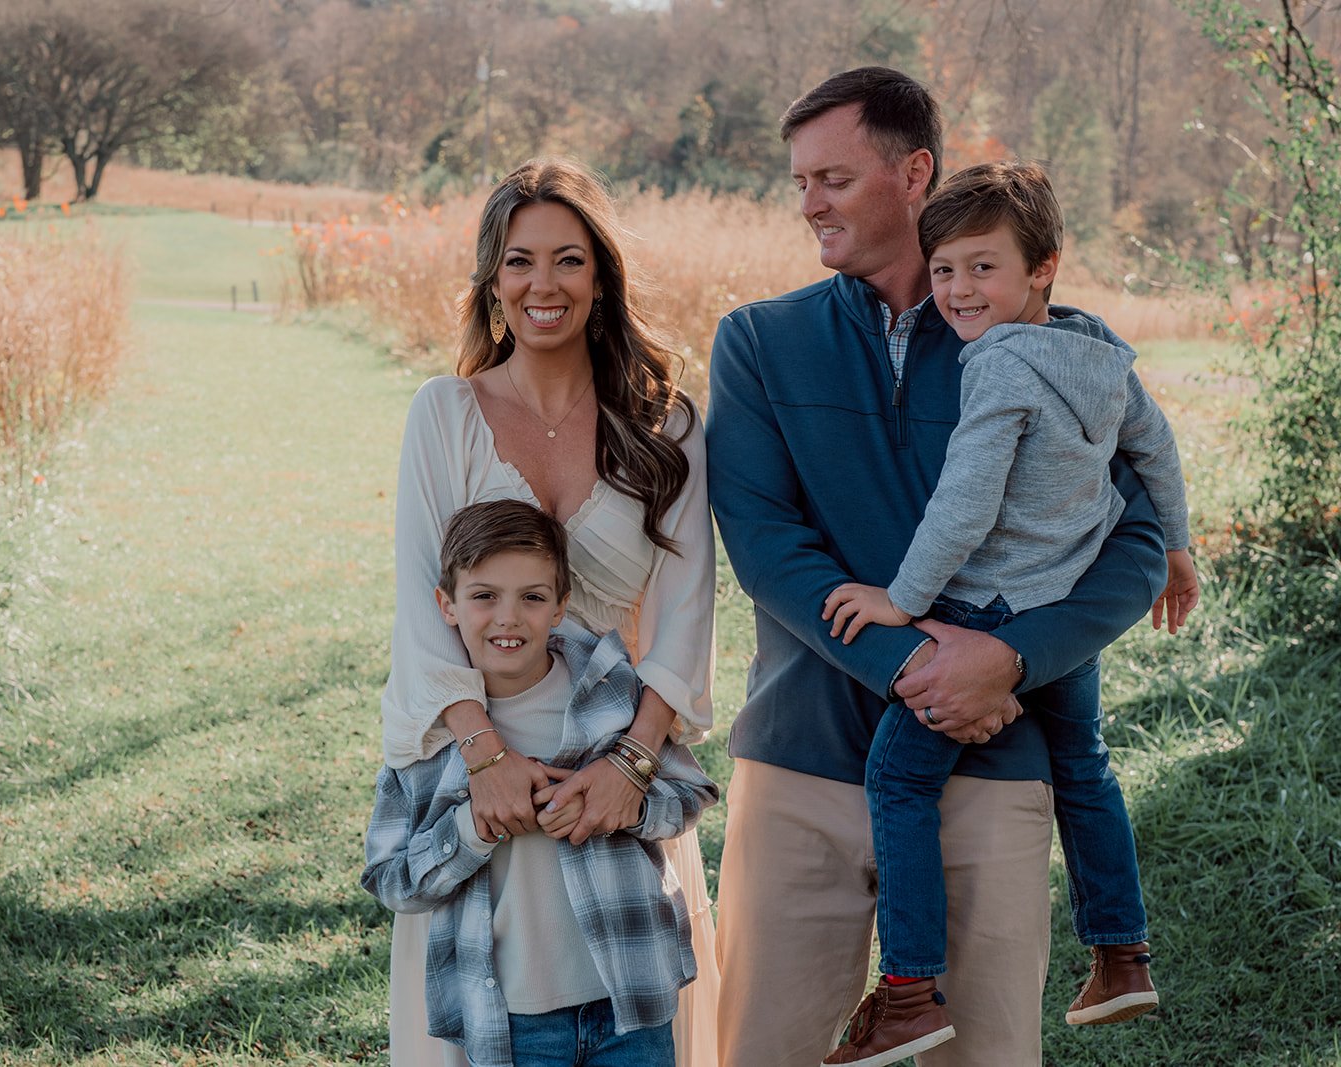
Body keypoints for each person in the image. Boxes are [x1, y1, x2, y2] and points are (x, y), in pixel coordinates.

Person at [704, 67, 1170, 1066]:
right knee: (760, 1051)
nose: (807, 202)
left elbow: (1130, 541)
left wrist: (1009, 660)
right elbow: (764, 541)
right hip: (802, 761)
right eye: (799, 180)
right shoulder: (758, 341)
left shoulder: (1043, 349)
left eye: (831, 176)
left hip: (994, 762)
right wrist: (925, 670)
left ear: (911, 172)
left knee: (988, 1054)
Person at [815, 161, 1200, 1066]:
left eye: (981, 267)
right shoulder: (1099, 353)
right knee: (1085, 768)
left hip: (982, 608)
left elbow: (964, 507)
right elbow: (1155, 445)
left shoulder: (997, 368)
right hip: (1062, 608)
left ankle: (909, 990)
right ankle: (1121, 953)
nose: (956, 290)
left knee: (899, 781)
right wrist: (1176, 546)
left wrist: (900, 600)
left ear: (1043, 267)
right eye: (943, 268)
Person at [381, 157, 719, 1067]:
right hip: (479, 771)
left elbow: (689, 616)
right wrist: (480, 755)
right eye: (521, 261)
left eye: (569, 260)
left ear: (601, 278)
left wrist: (633, 767)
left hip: (617, 772)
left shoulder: (667, 427)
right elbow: (420, 600)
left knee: (630, 1013)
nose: (545, 284)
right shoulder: (443, 414)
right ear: (494, 281)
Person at [363, 500, 719, 1067]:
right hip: (510, 1022)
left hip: (631, 1001)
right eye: (484, 596)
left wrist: (625, 806)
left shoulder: (611, 689)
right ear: (446, 606)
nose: (508, 617)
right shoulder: (431, 736)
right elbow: (390, 879)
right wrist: (472, 828)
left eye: (532, 597)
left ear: (560, 607)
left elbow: (692, 794)